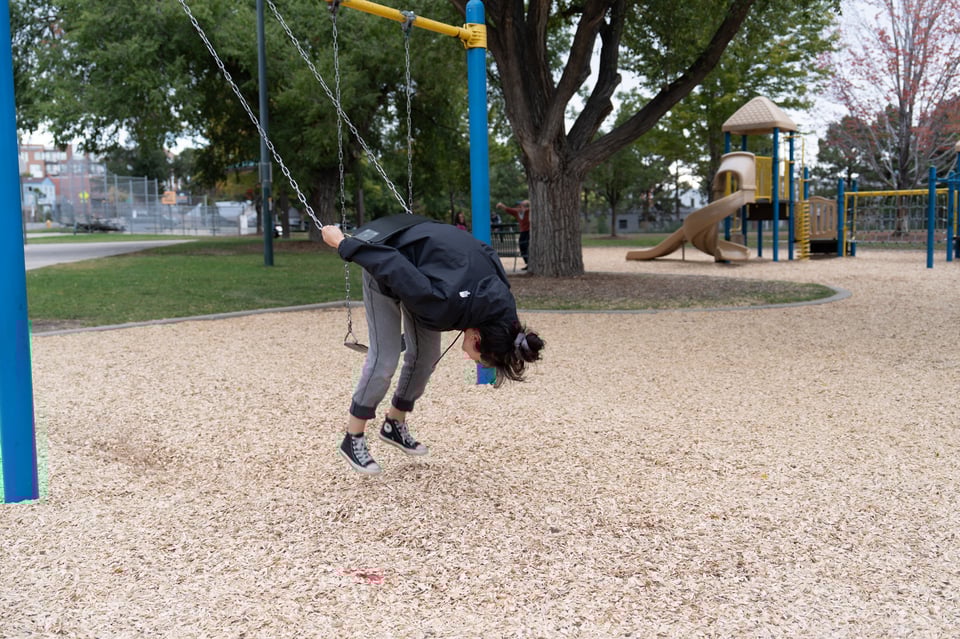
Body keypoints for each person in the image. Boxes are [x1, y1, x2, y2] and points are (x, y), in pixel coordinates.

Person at [321, 214, 544, 475]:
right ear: (477, 338)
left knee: (426, 357)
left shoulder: (503, 315)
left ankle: (394, 424)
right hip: (387, 261)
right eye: (477, 358)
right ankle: (352, 438)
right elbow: (393, 266)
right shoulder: (443, 306)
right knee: (385, 360)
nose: (471, 359)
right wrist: (343, 244)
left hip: (428, 277)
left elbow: (486, 253)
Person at [495, 199, 530, 268]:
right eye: (518, 206)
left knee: (527, 246)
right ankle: (527, 262)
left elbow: (536, 207)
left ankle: (530, 262)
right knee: (522, 246)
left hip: (529, 231)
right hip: (523, 232)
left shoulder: (528, 211)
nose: (520, 208)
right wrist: (501, 205)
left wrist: (528, 202)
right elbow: (508, 209)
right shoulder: (516, 212)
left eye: (521, 206)